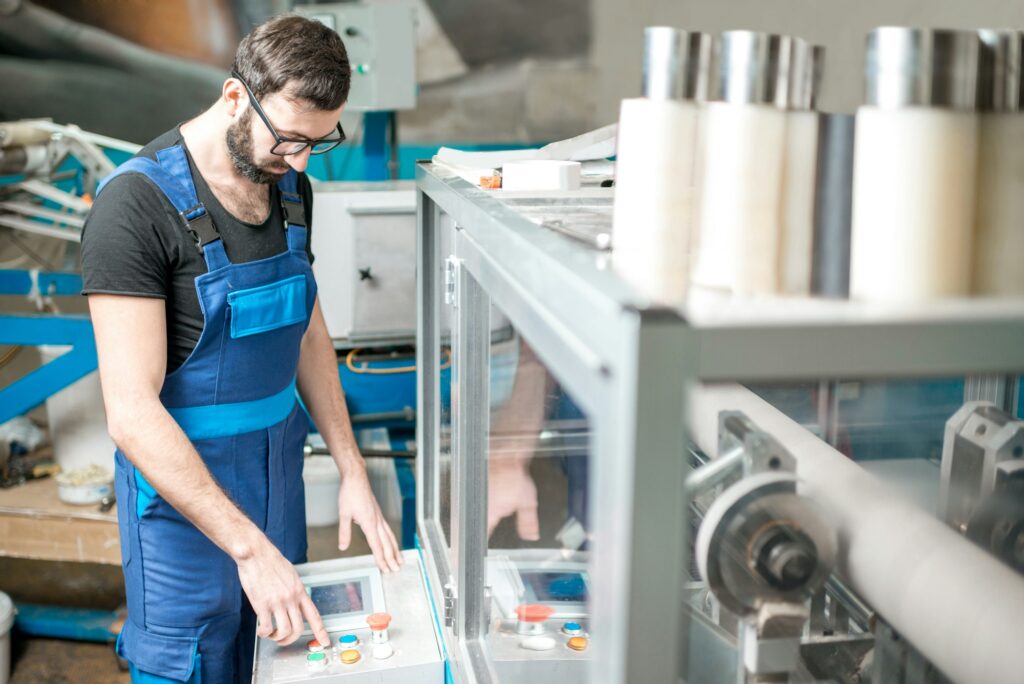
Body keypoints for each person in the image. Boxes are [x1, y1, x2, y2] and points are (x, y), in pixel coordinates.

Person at [80, 15, 401, 683]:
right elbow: (131, 412)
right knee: (191, 664)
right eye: (288, 138)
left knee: (281, 659)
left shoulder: (291, 185)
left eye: (320, 141)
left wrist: (349, 470)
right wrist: (248, 551)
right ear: (235, 96)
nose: (301, 161)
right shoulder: (134, 209)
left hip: (276, 480)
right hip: (181, 506)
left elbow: (307, 328)